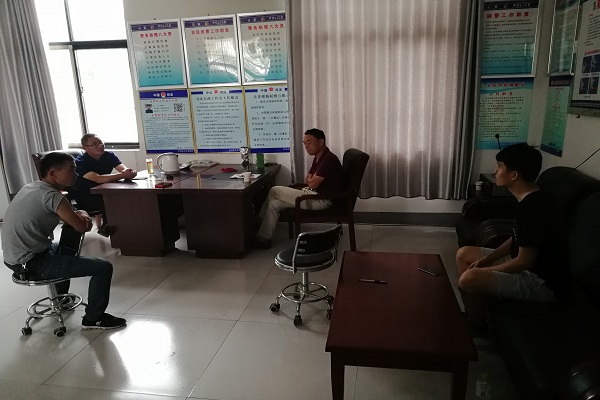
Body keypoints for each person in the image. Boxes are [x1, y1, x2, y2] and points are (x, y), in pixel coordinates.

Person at [2, 152, 126, 330]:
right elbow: (82, 227)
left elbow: (68, 218)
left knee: (66, 248)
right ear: (53, 174)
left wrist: (77, 215)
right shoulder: (53, 197)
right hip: (29, 263)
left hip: (14, 258)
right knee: (103, 267)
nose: (76, 173)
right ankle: (94, 318)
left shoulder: (32, 187)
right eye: (71, 169)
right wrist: (83, 214)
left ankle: (61, 299)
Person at [456, 143, 570, 336]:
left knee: (469, 277)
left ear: (514, 175)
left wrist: (484, 270)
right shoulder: (529, 198)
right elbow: (517, 237)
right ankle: (475, 311)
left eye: (499, 166)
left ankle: (478, 327)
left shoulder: (534, 208)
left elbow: (524, 262)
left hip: (542, 282)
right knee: (464, 253)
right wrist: (488, 259)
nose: (495, 171)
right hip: (526, 265)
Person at [255, 128, 344, 248]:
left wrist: (311, 181)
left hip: (321, 200)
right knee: (274, 204)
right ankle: (263, 238)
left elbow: (312, 184)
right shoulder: (318, 157)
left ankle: (258, 221)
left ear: (321, 142)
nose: (306, 147)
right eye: (304, 143)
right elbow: (308, 179)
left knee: (274, 190)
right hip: (312, 194)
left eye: (309, 142)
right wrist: (311, 180)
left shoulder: (329, 159)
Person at [72, 134, 137, 236]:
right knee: (113, 200)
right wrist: (123, 175)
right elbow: (98, 179)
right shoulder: (80, 161)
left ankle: (124, 228)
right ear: (85, 148)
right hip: (86, 195)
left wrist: (130, 172)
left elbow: (123, 169)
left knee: (124, 197)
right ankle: (111, 227)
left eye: (101, 142)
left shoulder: (109, 155)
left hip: (105, 190)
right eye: (94, 144)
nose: (100, 145)